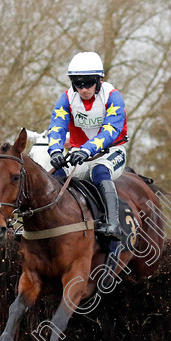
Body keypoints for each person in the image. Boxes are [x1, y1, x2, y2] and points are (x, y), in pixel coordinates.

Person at [47, 51, 128, 243]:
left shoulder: (113, 97)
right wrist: (56, 151)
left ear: (99, 80)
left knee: (99, 172)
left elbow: (110, 131)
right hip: (80, 153)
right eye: (78, 83)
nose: (83, 89)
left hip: (111, 152)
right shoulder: (66, 98)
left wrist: (86, 150)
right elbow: (57, 126)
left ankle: (113, 223)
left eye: (89, 83)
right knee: (54, 175)